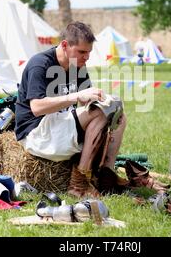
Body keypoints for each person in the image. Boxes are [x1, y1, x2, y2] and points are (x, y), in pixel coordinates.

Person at [14, 21, 127, 198]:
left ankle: (105, 175)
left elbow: (85, 108)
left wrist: (108, 115)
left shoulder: (78, 66)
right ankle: (78, 185)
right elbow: (36, 108)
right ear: (65, 45)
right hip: (36, 132)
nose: (86, 57)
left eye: (89, 52)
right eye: (82, 52)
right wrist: (75, 97)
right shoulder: (40, 63)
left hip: (61, 126)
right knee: (100, 113)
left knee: (117, 114)